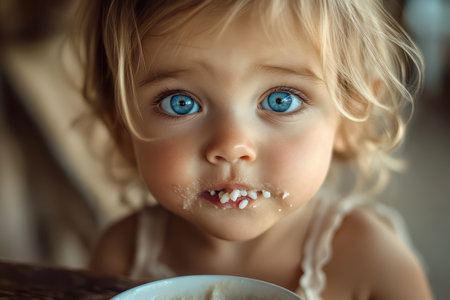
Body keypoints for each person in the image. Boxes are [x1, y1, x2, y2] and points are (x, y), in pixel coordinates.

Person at [75, 0, 433, 299]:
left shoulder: (372, 261)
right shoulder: (122, 254)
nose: (231, 147)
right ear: (122, 129)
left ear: (350, 118)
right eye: (180, 103)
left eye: (281, 100)